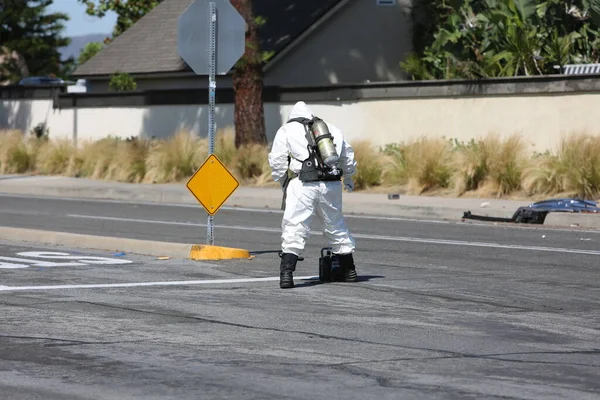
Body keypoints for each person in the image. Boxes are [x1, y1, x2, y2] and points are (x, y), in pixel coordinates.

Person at [268, 101, 358, 289]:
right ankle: (350, 271)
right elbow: (347, 156)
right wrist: (348, 178)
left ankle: (287, 274)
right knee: (336, 225)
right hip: (331, 184)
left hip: (302, 184)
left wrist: (283, 181)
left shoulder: (287, 130)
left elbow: (277, 161)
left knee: (295, 227)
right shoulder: (331, 128)